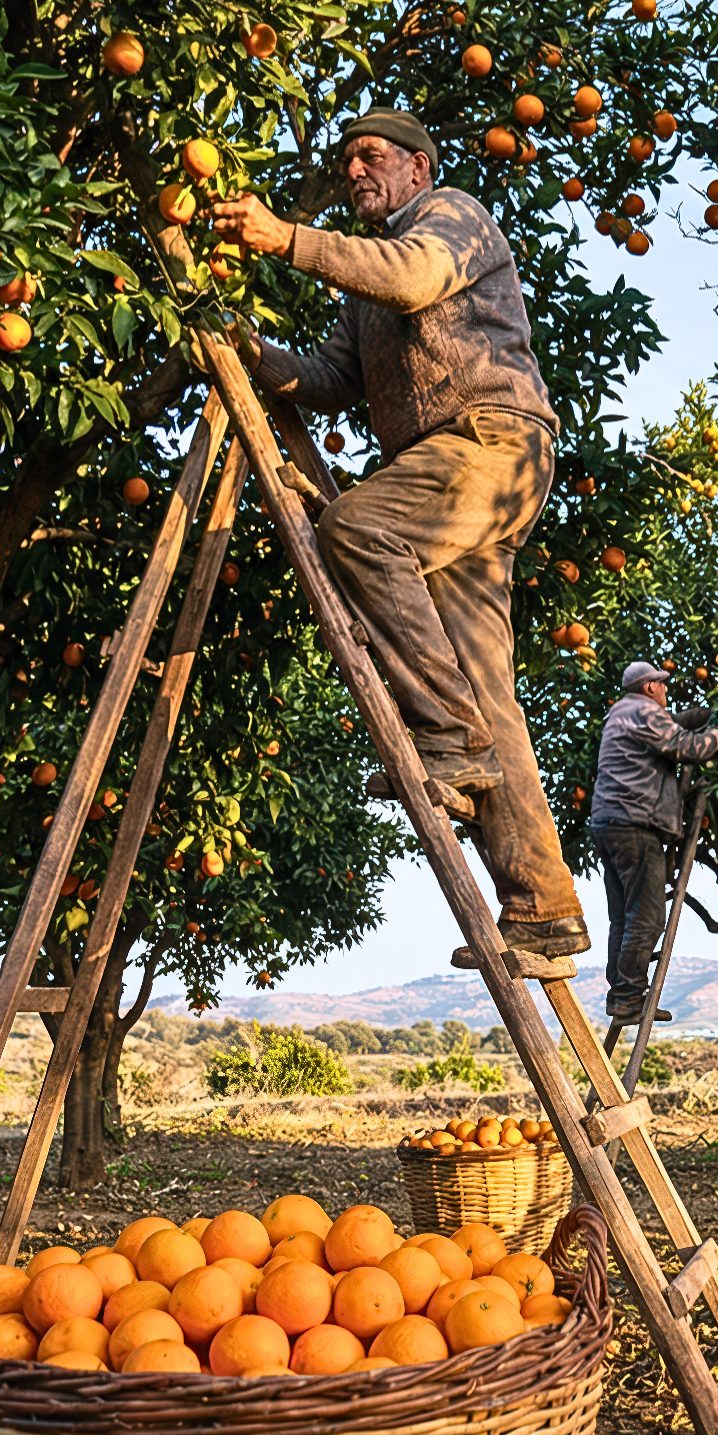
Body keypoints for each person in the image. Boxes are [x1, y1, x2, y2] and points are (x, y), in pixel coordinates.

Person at [208, 109, 586, 959]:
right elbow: (335, 379)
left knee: (355, 527)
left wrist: (285, 237)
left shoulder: (450, 215)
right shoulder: (366, 285)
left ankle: (446, 737)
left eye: (371, 155)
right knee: (492, 696)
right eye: (346, 159)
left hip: (490, 443)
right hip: (443, 477)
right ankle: (544, 904)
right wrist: (254, 352)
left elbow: (415, 279)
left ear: (418, 167)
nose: (355, 169)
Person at [588, 661, 718, 1022]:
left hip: (609, 824)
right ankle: (629, 996)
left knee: (623, 916)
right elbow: (686, 747)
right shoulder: (643, 711)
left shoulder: (622, 714)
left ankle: (620, 995)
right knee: (649, 917)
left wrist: (702, 714)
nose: (666, 691)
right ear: (650, 687)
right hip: (635, 825)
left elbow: (672, 728)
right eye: (662, 685)